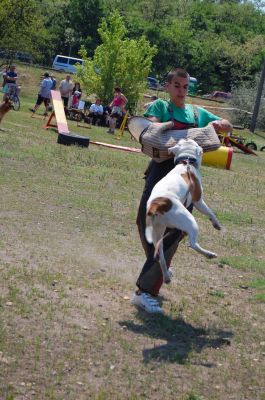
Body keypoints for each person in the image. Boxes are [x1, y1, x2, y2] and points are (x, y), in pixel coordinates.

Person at [131, 67, 233, 314]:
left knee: (173, 234)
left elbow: (228, 127)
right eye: (177, 86)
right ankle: (155, 266)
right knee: (144, 223)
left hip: (185, 179)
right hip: (159, 173)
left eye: (185, 87)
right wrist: (155, 128)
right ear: (168, 86)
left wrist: (220, 124)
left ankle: (146, 291)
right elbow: (147, 130)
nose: (181, 91)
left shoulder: (196, 112)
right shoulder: (159, 107)